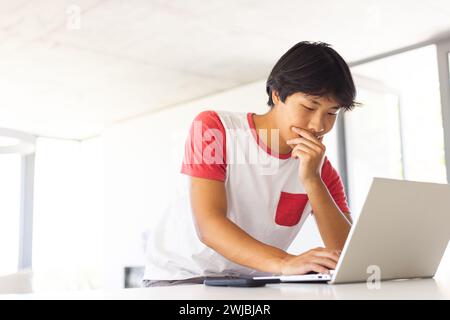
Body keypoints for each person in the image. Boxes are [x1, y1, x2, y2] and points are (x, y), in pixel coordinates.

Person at [143, 41, 357, 287]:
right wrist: (286, 263)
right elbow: (209, 226)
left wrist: (312, 180)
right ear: (277, 94)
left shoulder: (320, 169)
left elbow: (346, 253)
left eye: (332, 113)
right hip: (183, 278)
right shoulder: (215, 128)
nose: (319, 126)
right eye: (309, 107)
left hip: (252, 284)